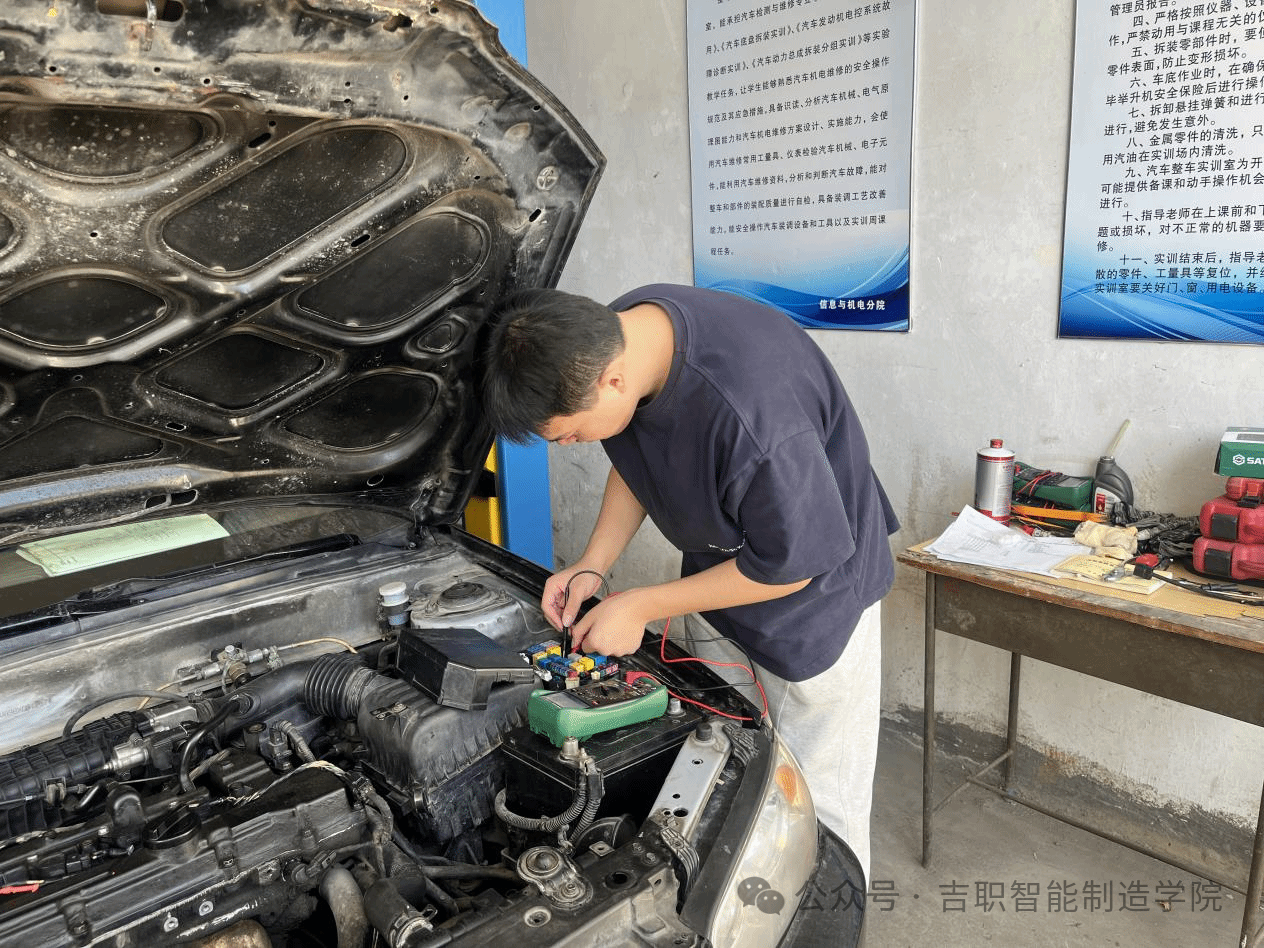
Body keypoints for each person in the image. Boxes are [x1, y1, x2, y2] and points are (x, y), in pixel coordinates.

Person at [480, 283, 899, 883]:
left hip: (815, 606)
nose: (570, 445)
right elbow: (634, 456)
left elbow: (793, 564)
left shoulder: (753, 415)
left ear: (611, 381)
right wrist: (593, 563)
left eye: (568, 434)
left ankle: (827, 909)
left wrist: (642, 605)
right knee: (726, 766)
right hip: (721, 578)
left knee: (817, 805)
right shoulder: (620, 336)